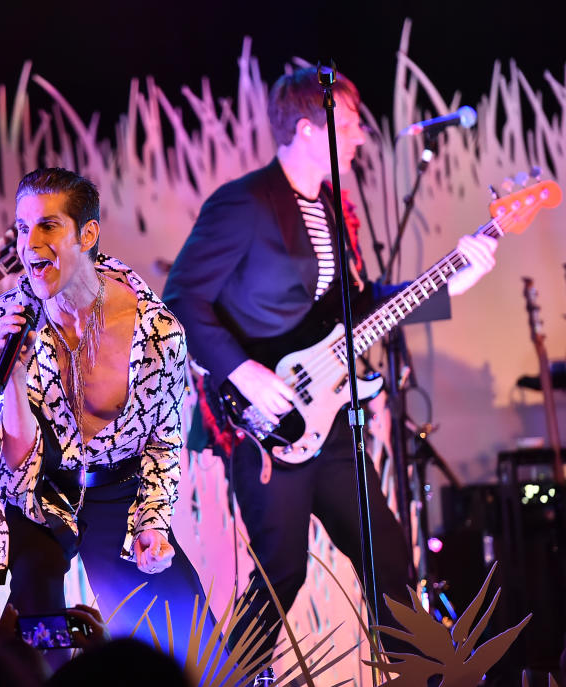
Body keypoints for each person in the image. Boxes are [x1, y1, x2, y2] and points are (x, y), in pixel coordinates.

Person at [162, 67, 497, 667]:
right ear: (309, 129)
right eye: (349, 123)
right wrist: (243, 372)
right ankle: (226, 679)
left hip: (329, 414)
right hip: (264, 423)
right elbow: (182, 299)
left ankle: (418, 677)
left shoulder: (332, 209)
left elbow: (357, 306)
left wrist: (453, 280)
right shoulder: (243, 203)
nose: (363, 136)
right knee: (280, 576)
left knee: (388, 557)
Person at [0, 168, 218, 663]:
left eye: (47, 226)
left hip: (114, 488)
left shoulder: (157, 330)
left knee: (190, 642)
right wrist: (10, 373)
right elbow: (15, 468)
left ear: (88, 234)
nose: (30, 243)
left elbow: (163, 443)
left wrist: (153, 525)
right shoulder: (0, 325)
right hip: (39, 494)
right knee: (42, 627)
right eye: (21, 228)